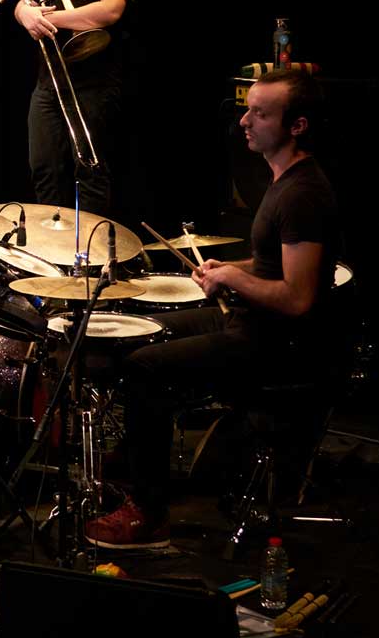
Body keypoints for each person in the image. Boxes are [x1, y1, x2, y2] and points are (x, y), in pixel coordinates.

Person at [86, 68, 340, 549]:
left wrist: (233, 279)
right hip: (251, 321)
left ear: (297, 126)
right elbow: (273, 264)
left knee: (145, 367)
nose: (245, 121)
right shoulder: (283, 179)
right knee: (138, 329)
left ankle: (149, 514)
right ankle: (131, 467)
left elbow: (298, 298)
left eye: (260, 114)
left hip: (276, 344)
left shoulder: (304, 194)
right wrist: (232, 267)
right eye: (248, 110)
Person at [13, 0, 138, 216]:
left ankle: (90, 247)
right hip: (49, 82)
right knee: (44, 169)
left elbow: (110, 10)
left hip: (93, 84)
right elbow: (23, 4)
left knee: (90, 172)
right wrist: (26, 15)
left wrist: (49, 19)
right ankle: (54, 245)